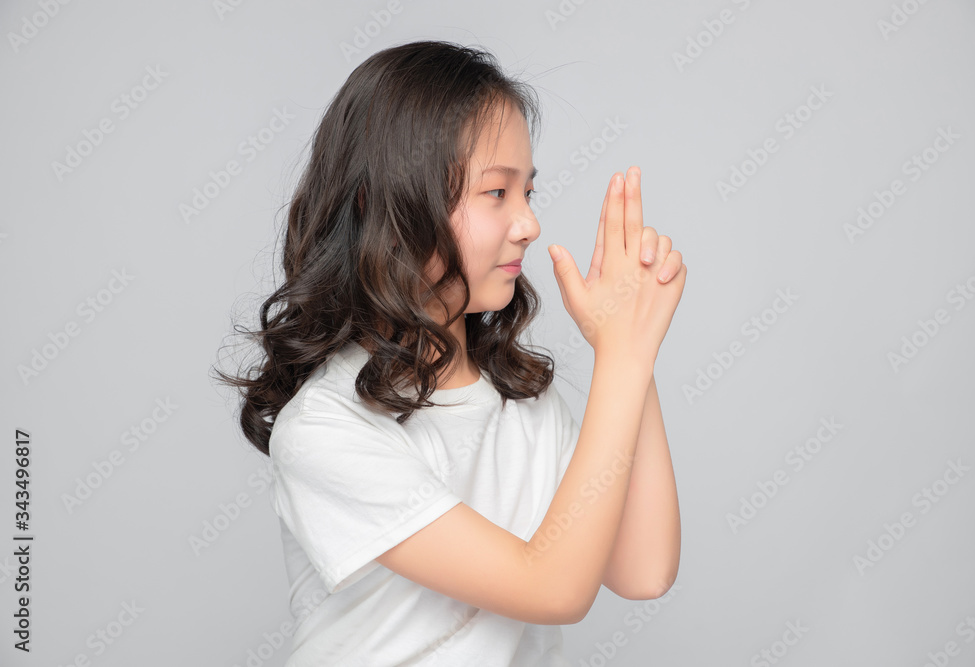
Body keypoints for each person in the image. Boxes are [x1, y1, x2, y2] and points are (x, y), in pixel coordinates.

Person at [215, 39, 686, 666]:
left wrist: (631, 349)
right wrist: (623, 355)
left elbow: (643, 570)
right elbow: (550, 585)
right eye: (496, 193)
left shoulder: (522, 401)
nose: (528, 223)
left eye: (529, 193)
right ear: (388, 205)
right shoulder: (325, 427)